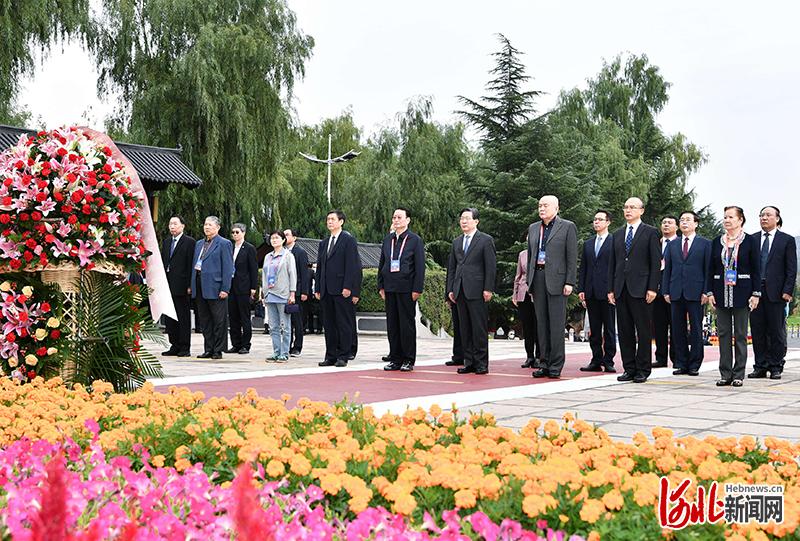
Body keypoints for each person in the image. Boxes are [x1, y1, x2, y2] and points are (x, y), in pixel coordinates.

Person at [608, 197, 661, 383]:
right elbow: (612, 263)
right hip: (621, 288)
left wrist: (653, 287)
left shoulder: (651, 232)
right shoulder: (617, 234)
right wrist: (610, 289)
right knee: (624, 331)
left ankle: (643, 369)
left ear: (641, 210)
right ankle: (629, 368)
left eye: (632, 207)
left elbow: (655, 263)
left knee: (643, 331)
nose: (628, 210)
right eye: (626, 207)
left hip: (642, 289)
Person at [707, 206, 761, 387]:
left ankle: (738, 374)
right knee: (723, 333)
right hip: (720, 292)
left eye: (731, 217)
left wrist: (756, 293)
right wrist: (710, 292)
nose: (727, 220)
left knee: (740, 334)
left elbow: (756, 269)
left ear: (740, 220)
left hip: (742, 293)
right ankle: (725, 374)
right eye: (725, 217)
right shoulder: (717, 241)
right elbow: (710, 269)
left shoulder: (750, 241)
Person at [526, 195, 578, 379]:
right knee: (541, 324)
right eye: (540, 205)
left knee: (555, 325)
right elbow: (531, 256)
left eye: (545, 205)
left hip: (558, 281)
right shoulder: (534, 228)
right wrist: (530, 282)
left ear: (556, 208)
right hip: (538, 278)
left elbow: (572, 256)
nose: (541, 208)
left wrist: (569, 281)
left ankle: (556, 365)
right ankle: (544, 363)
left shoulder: (567, 227)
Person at [446, 208, 496, 375]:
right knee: (464, 329)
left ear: (476, 221)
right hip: (460, 290)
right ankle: (469, 362)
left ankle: (481, 363)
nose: (464, 221)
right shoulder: (457, 242)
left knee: (479, 328)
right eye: (462, 218)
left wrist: (488, 288)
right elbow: (452, 268)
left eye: (467, 218)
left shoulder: (485, 240)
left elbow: (490, 266)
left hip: (477, 290)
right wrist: (450, 289)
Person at [748, 206, 797, 380]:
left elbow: (791, 268)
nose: (764, 218)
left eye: (768, 215)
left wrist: (788, 291)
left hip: (777, 292)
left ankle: (776, 365)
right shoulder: (752, 239)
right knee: (757, 330)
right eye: (761, 215)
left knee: (776, 331)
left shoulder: (787, 240)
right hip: (755, 292)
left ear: (777, 218)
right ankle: (760, 366)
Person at [662, 211, 712, 376]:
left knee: (696, 328)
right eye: (682, 220)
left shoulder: (705, 244)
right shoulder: (672, 244)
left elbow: (708, 270)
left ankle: (695, 364)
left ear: (696, 224)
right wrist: (666, 290)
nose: (684, 222)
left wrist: (706, 291)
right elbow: (668, 269)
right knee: (677, 329)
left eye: (688, 220)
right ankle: (681, 362)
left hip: (696, 292)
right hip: (676, 291)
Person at [379, 208, 426, 371]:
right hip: (390, 288)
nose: (396, 220)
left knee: (406, 325)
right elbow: (382, 263)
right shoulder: (388, 239)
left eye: (399, 217)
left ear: (408, 220)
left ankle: (408, 359)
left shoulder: (415, 240)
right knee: (392, 325)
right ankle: (395, 358)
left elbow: (420, 267)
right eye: (394, 217)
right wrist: (381, 285)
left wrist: (417, 289)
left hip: (407, 288)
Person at [315, 210, 362, 367]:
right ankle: (330, 356)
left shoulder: (348, 240)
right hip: (326, 290)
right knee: (329, 325)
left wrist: (348, 286)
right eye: (328, 219)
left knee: (343, 323)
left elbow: (352, 265)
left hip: (342, 289)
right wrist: (318, 287)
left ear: (341, 222)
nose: (329, 222)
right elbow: (320, 267)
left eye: (333, 219)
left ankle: (343, 355)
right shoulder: (323, 243)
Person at [577, 210, 616, 373]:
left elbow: (616, 268)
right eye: (595, 219)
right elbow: (584, 268)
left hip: (608, 292)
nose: (596, 222)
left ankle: (609, 360)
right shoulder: (588, 243)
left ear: (608, 222)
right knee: (594, 328)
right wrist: (581, 289)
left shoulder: (614, 241)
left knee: (609, 328)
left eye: (600, 219)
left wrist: (613, 289)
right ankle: (596, 359)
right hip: (591, 290)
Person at [190, 216, 234, 359]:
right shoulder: (199, 244)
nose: (207, 227)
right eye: (205, 224)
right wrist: (191, 285)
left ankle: (218, 349)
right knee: (205, 319)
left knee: (219, 320)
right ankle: (208, 348)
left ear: (218, 227)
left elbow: (228, 268)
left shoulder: (224, 243)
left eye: (210, 225)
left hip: (216, 286)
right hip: (200, 284)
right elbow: (194, 265)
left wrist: (225, 288)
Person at [161, 216, 195, 357]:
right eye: (170, 224)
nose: (172, 226)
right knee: (170, 317)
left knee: (183, 316)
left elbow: (191, 264)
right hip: (168, 284)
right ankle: (174, 345)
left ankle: (184, 347)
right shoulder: (167, 242)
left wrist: (190, 284)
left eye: (175, 223)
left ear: (182, 226)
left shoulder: (189, 242)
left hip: (182, 285)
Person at [262, 230, 297, 362]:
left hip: (283, 294)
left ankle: (285, 352)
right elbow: (264, 275)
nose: (274, 240)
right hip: (270, 294)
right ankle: (276, 351)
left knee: (285, 326)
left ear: (283, 240)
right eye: (272, 238)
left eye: (277, 238)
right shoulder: (267, 256)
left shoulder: (288, 256)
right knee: (273, 326)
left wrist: (292, 293)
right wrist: (264, 292)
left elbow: (292, 274)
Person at [227, 223, 258, 354]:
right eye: (233, 232)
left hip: (244, 287)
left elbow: (253, 269)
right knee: (233, 316)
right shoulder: (229, 247)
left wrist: (253, 287)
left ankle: (245, 344)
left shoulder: (249, 248)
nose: (235, 234)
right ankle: (236, 343)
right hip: (231, 286)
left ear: (243, 233)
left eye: (237, 232)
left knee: (244, 316)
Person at [652, 216, 678, 368]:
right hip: (656, 291)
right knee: (659, 326)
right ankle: (660, 358)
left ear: (676, 227)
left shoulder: (680, 243)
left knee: (675, 326)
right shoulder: (656, 243)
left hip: (674, 291)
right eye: (664, 223)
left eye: (670, 223)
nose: (666, 225)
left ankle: (676, 358)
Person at [513, 242, 540, 368]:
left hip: (537, 293)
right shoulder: (522, 254)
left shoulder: (542, 253)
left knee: (538, 326)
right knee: (527, 326)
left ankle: (539, 356)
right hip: (523, 293)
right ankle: (529, 356)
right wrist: (515, 294)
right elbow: (518, 276)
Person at [285, 229, 310, 357]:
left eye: (287, 235)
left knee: (297, 320)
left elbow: (304, 274)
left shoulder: (300, 252)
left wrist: (305, 291)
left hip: (297, 291)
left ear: (294, 238)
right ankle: (286, 345)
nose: (284, 237)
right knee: (286, 321)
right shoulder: (282, 252)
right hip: (284, 291)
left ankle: (297, 346)